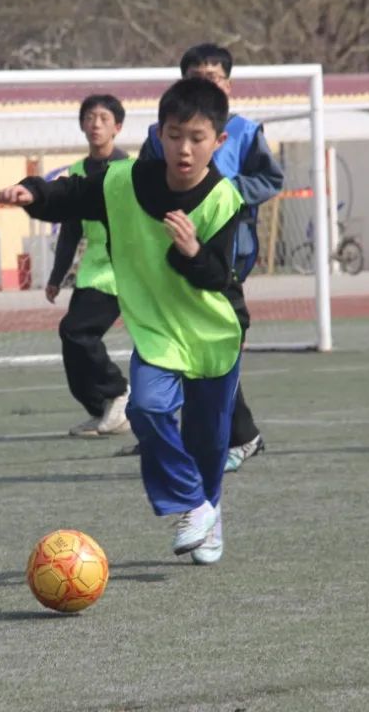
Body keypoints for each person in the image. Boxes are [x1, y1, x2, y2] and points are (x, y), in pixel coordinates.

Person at [0, 78, 255, 564]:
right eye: (175, 135)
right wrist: (32, 193)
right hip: (158, 331)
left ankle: (209, 511)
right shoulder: (124, 180)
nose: (184, 148)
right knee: (146, 410)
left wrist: (193, 252)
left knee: (208, 436)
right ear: (160, 133)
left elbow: (223, 276)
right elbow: (71, 194)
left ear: (217, 142)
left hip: (213, 331)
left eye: (197, 138)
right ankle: (193, 503)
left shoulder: (224, 201)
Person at [117, 43, 283, 472]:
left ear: (227, 84)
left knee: (210, 343)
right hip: (169, 253)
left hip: (224, 249)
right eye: (196, 77)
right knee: (183, 343)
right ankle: (182, 433)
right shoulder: (162, 135)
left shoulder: (244, 131)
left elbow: (270, 179)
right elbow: (145, 183)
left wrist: (222, 192)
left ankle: (227, 437)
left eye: (213, 78)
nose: (185, 146)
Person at [46, 94, 131, 437]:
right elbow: (71, 229)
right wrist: (56, 276)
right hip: (93, 267)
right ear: (82, 125)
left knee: (78, 331)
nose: (96, 124)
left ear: (118, 127)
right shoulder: (78, 172)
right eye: (90, 117)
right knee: (71, 337)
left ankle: (118, 391)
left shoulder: (130, 170)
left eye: (104, 118)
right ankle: (101, 410)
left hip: (122, 266)